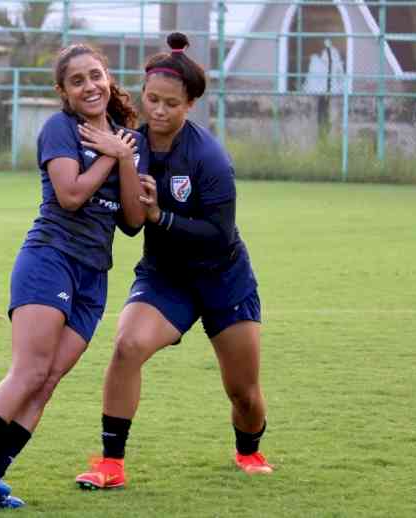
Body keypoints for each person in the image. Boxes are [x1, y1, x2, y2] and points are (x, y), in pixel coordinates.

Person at [0, 43, 148, 508]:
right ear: (64, 92)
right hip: (50, 258)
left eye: (95, 75)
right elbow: (71, 195)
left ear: (108, 77)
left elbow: (133, 222)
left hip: (94, 278)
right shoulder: (61, 129)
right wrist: (112, 157)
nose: (90, 86)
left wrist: (128, 159)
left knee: (49, 378)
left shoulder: (125, 139)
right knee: (30, 369)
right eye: (77, 81)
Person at [75, 32, 272, 491]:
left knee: (243, 393)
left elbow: (218, 234)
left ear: (190, 106)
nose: (158, 111)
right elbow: (129, 225)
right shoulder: (130, 146)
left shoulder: (210, 158)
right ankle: (111, 464)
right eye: (152, 100)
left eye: (171, 104)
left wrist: (159, 215)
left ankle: (249, 449)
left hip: (224, 278)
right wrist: (135, 205)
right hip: (166, 278)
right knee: (126, 347)